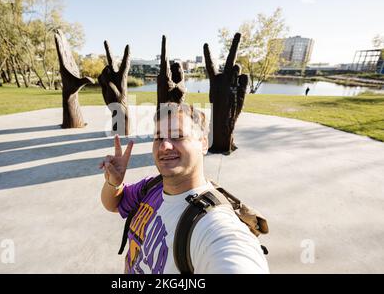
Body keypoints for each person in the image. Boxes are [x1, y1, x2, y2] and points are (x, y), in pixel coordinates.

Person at [99, 102, 269, 274]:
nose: (164, 146)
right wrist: (114, 182)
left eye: (178, 136)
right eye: (158, 137)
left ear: (203, 143)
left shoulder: (214, 225)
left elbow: (233, 254)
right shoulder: (153, 187)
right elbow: (113, 203)